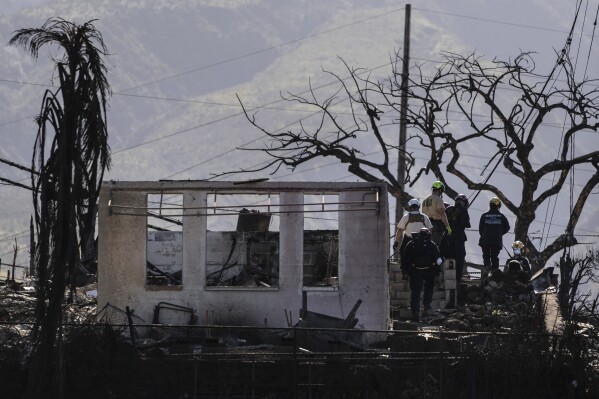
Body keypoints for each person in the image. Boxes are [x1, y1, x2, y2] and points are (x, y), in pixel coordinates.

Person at [402, 227, 442, 322]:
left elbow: (404, 258)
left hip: (415, 271)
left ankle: (415, 313)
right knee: (429, 288)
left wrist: (405, 271)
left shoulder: (411, 244)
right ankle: (426, 306)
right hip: (429, 271)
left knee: (415, 292)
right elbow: (439, 260)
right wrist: (438, 270)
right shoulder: (432, 245)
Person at [393, 198, 433, 267]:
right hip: (422, 240)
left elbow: (400, 230)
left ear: (410, 207)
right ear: (418, 207)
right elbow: (430, 230)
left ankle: (404, 271)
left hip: (408, 239)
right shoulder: (425, 217)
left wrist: (396, 242)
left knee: (403, 251)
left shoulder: (406, 217)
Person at [444, 194, 471, 283]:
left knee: (449, 257)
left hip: (448, 237)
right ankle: (458, 278)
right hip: (459, 237)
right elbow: (466, 224)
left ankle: (447, 276)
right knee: (459, 258)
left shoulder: (448, 209)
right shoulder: (463, 210)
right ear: (464, 202)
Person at [478, 197, 510, 273]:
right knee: (494, 257)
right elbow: (507, 227)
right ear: (498, 206)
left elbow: (480, 229)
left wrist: (484, 235)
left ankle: (487, 268)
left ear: (490, 205)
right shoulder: (501, 216)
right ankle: (495, 272)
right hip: (496, 240)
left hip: (485, 239)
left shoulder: (484, 215)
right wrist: (500, 233)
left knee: (486, 255)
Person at [422, 181, 451, 247]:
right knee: (435, 246)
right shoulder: (438, 199)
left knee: (427, 245)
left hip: (426, 225)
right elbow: (442, 214)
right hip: (436, 225)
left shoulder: (425, 200)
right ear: (440, 190)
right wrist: (447, 226)